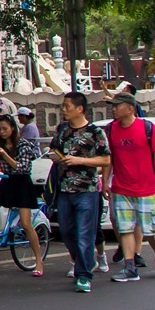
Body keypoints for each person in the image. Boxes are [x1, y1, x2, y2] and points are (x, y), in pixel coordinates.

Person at [105, 91, 155, 281]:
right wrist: (105, 181)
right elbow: (109, 158)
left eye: (117, 105)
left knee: (152, 230)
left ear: (130, 108)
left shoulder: (147, 128)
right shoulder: (111, 129)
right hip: (121, 188)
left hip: (146, 188)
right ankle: (130, 267)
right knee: (125, 228)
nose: (114, 109)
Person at [48, 91, 110, 293]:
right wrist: (56, 157)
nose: (64, 109)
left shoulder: (95, 132)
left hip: (87, 189)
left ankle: (83, 275)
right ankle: (84, 260)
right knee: (66, 231)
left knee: (85, 233)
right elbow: (54, 149)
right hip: (64, 188)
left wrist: (80, 160)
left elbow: (106, 159)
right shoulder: (62, 129)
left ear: (80, 108)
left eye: (67, 106)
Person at [0, 112, 45, 275]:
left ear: (13, 128)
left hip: (22, 182)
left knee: (26, 224)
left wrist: (4, 155)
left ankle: (38, 261)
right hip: (7, 181)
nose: (2, 132)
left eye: (5, 128)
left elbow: (21, 167)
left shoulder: (23, 144)